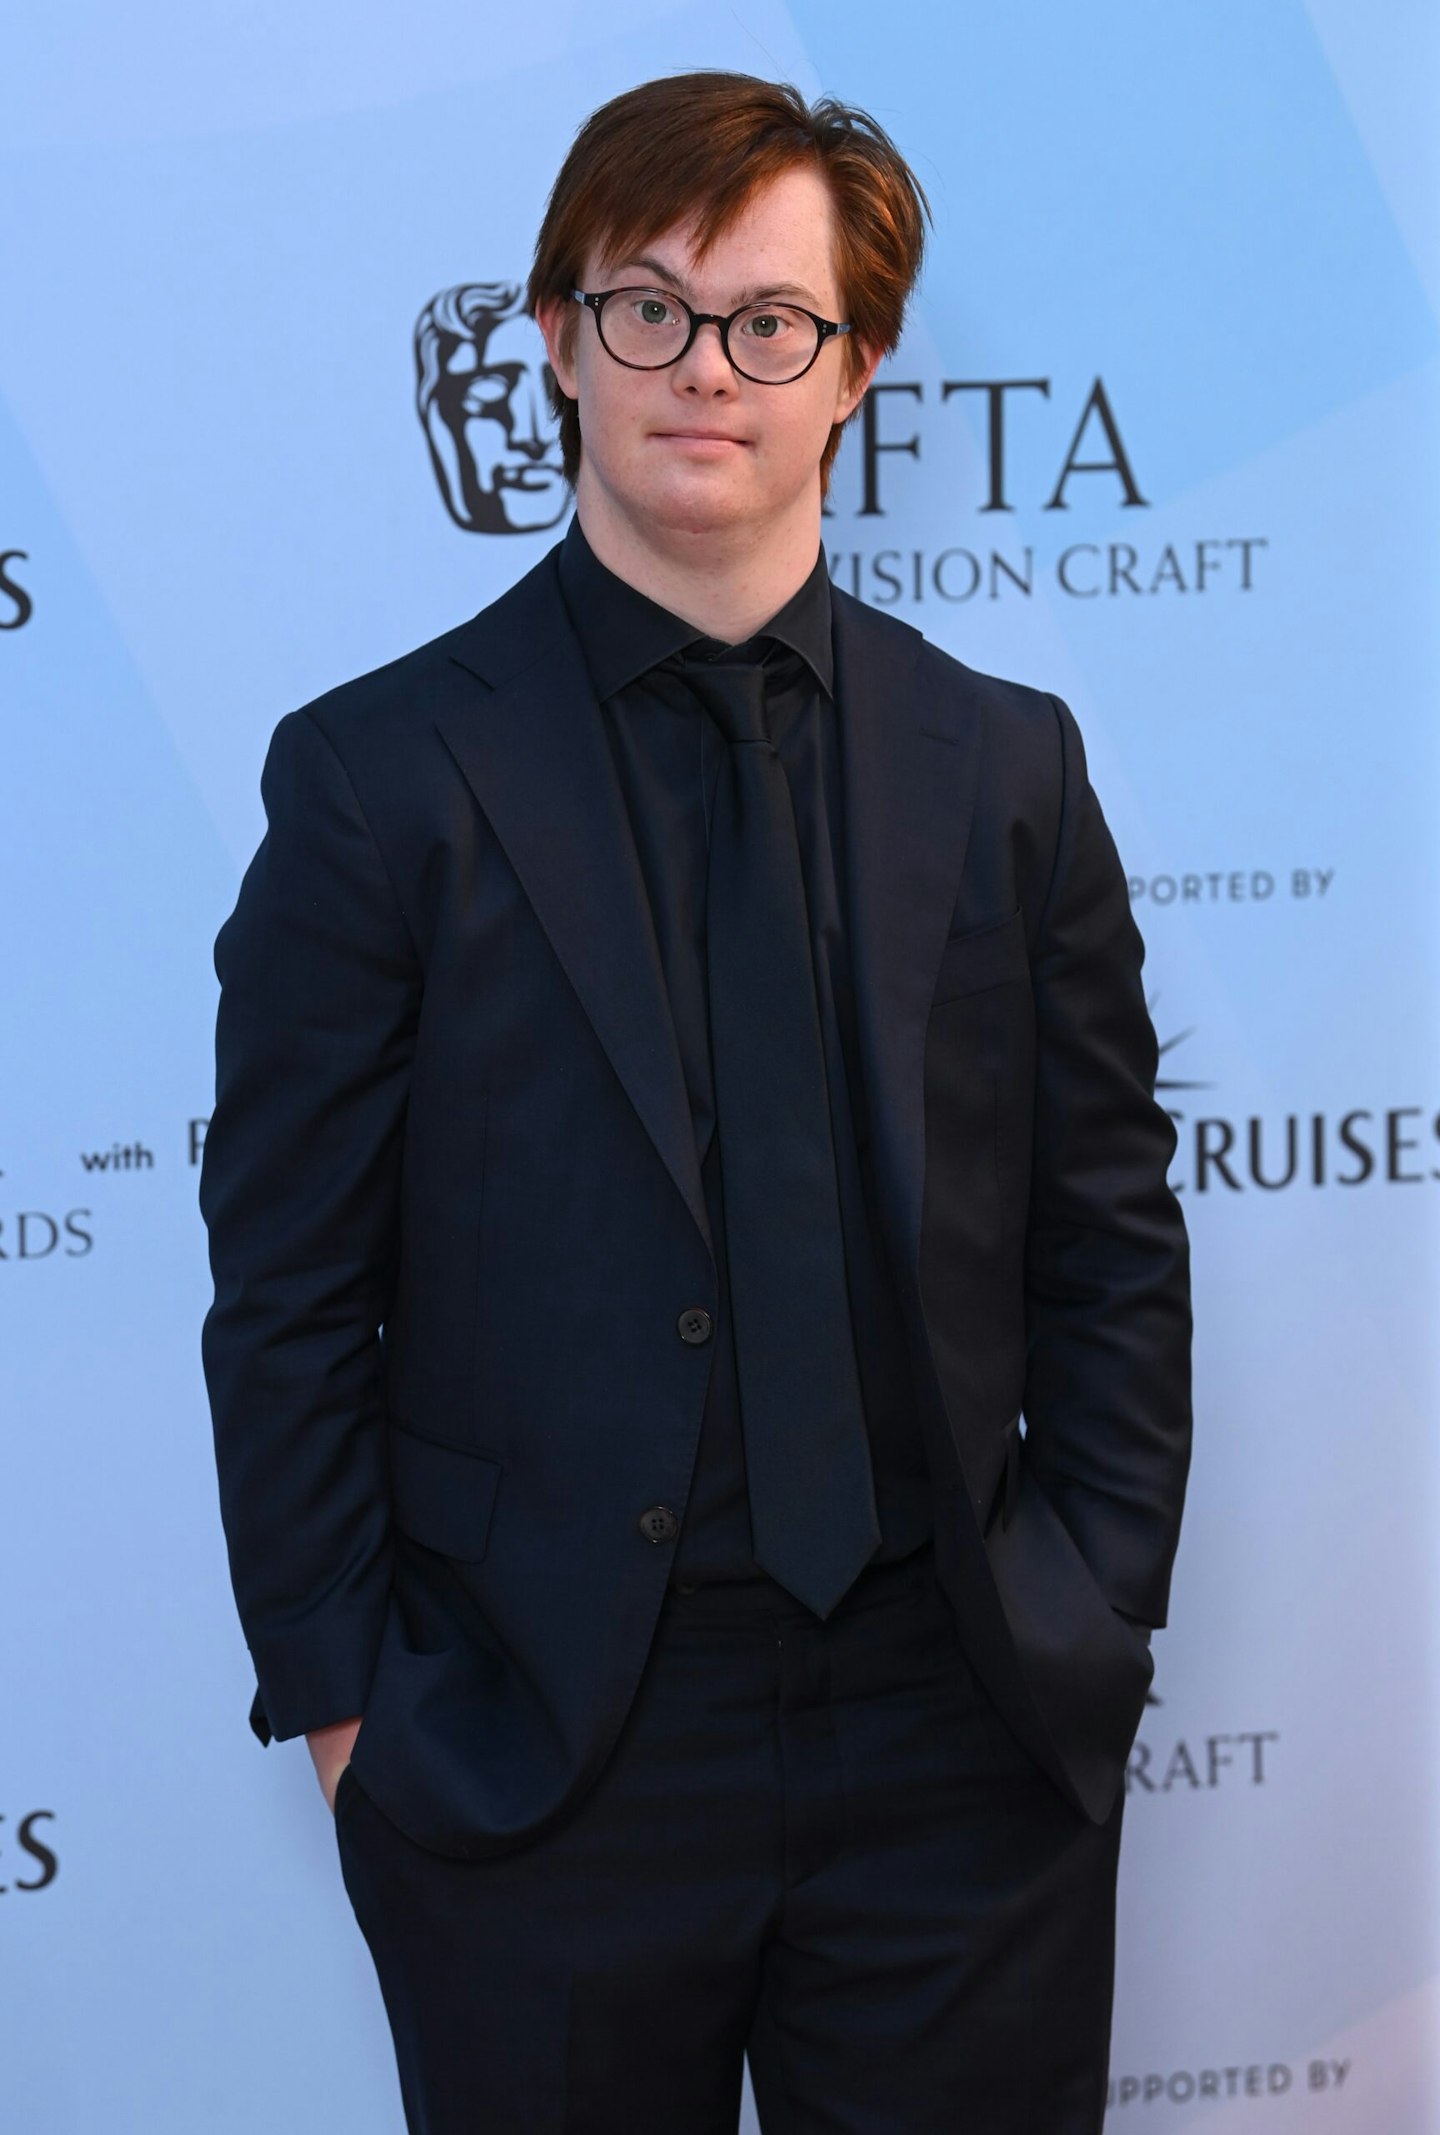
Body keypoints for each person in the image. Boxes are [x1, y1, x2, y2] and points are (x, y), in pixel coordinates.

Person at [199, 69, 1191, 2135]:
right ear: (554, 339)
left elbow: (1109, 1230)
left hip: (962, 1737)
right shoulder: (382, 782)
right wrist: (354, 1705)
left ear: (862, 371)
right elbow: (286, 1284)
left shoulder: (1007, 767)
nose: (702, 369)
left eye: (768, 321)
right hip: (545, 1747)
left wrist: (1090, 1595)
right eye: (642, 308)